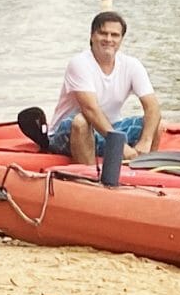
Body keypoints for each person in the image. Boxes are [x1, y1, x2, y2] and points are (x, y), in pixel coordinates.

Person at [48, 10, 163, 184]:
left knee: (157, 124)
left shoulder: (132, 65)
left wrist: (145, 142)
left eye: (115, 35)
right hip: (70, 132)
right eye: (103, 33)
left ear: (121, 39)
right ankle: (88, 179)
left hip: (109, 129)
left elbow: (152, 106)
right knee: (81, 122)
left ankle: (142, 178)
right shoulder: (79, 63)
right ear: (92, 36)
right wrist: (120, 146)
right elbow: (90, 110)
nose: (109, 39)